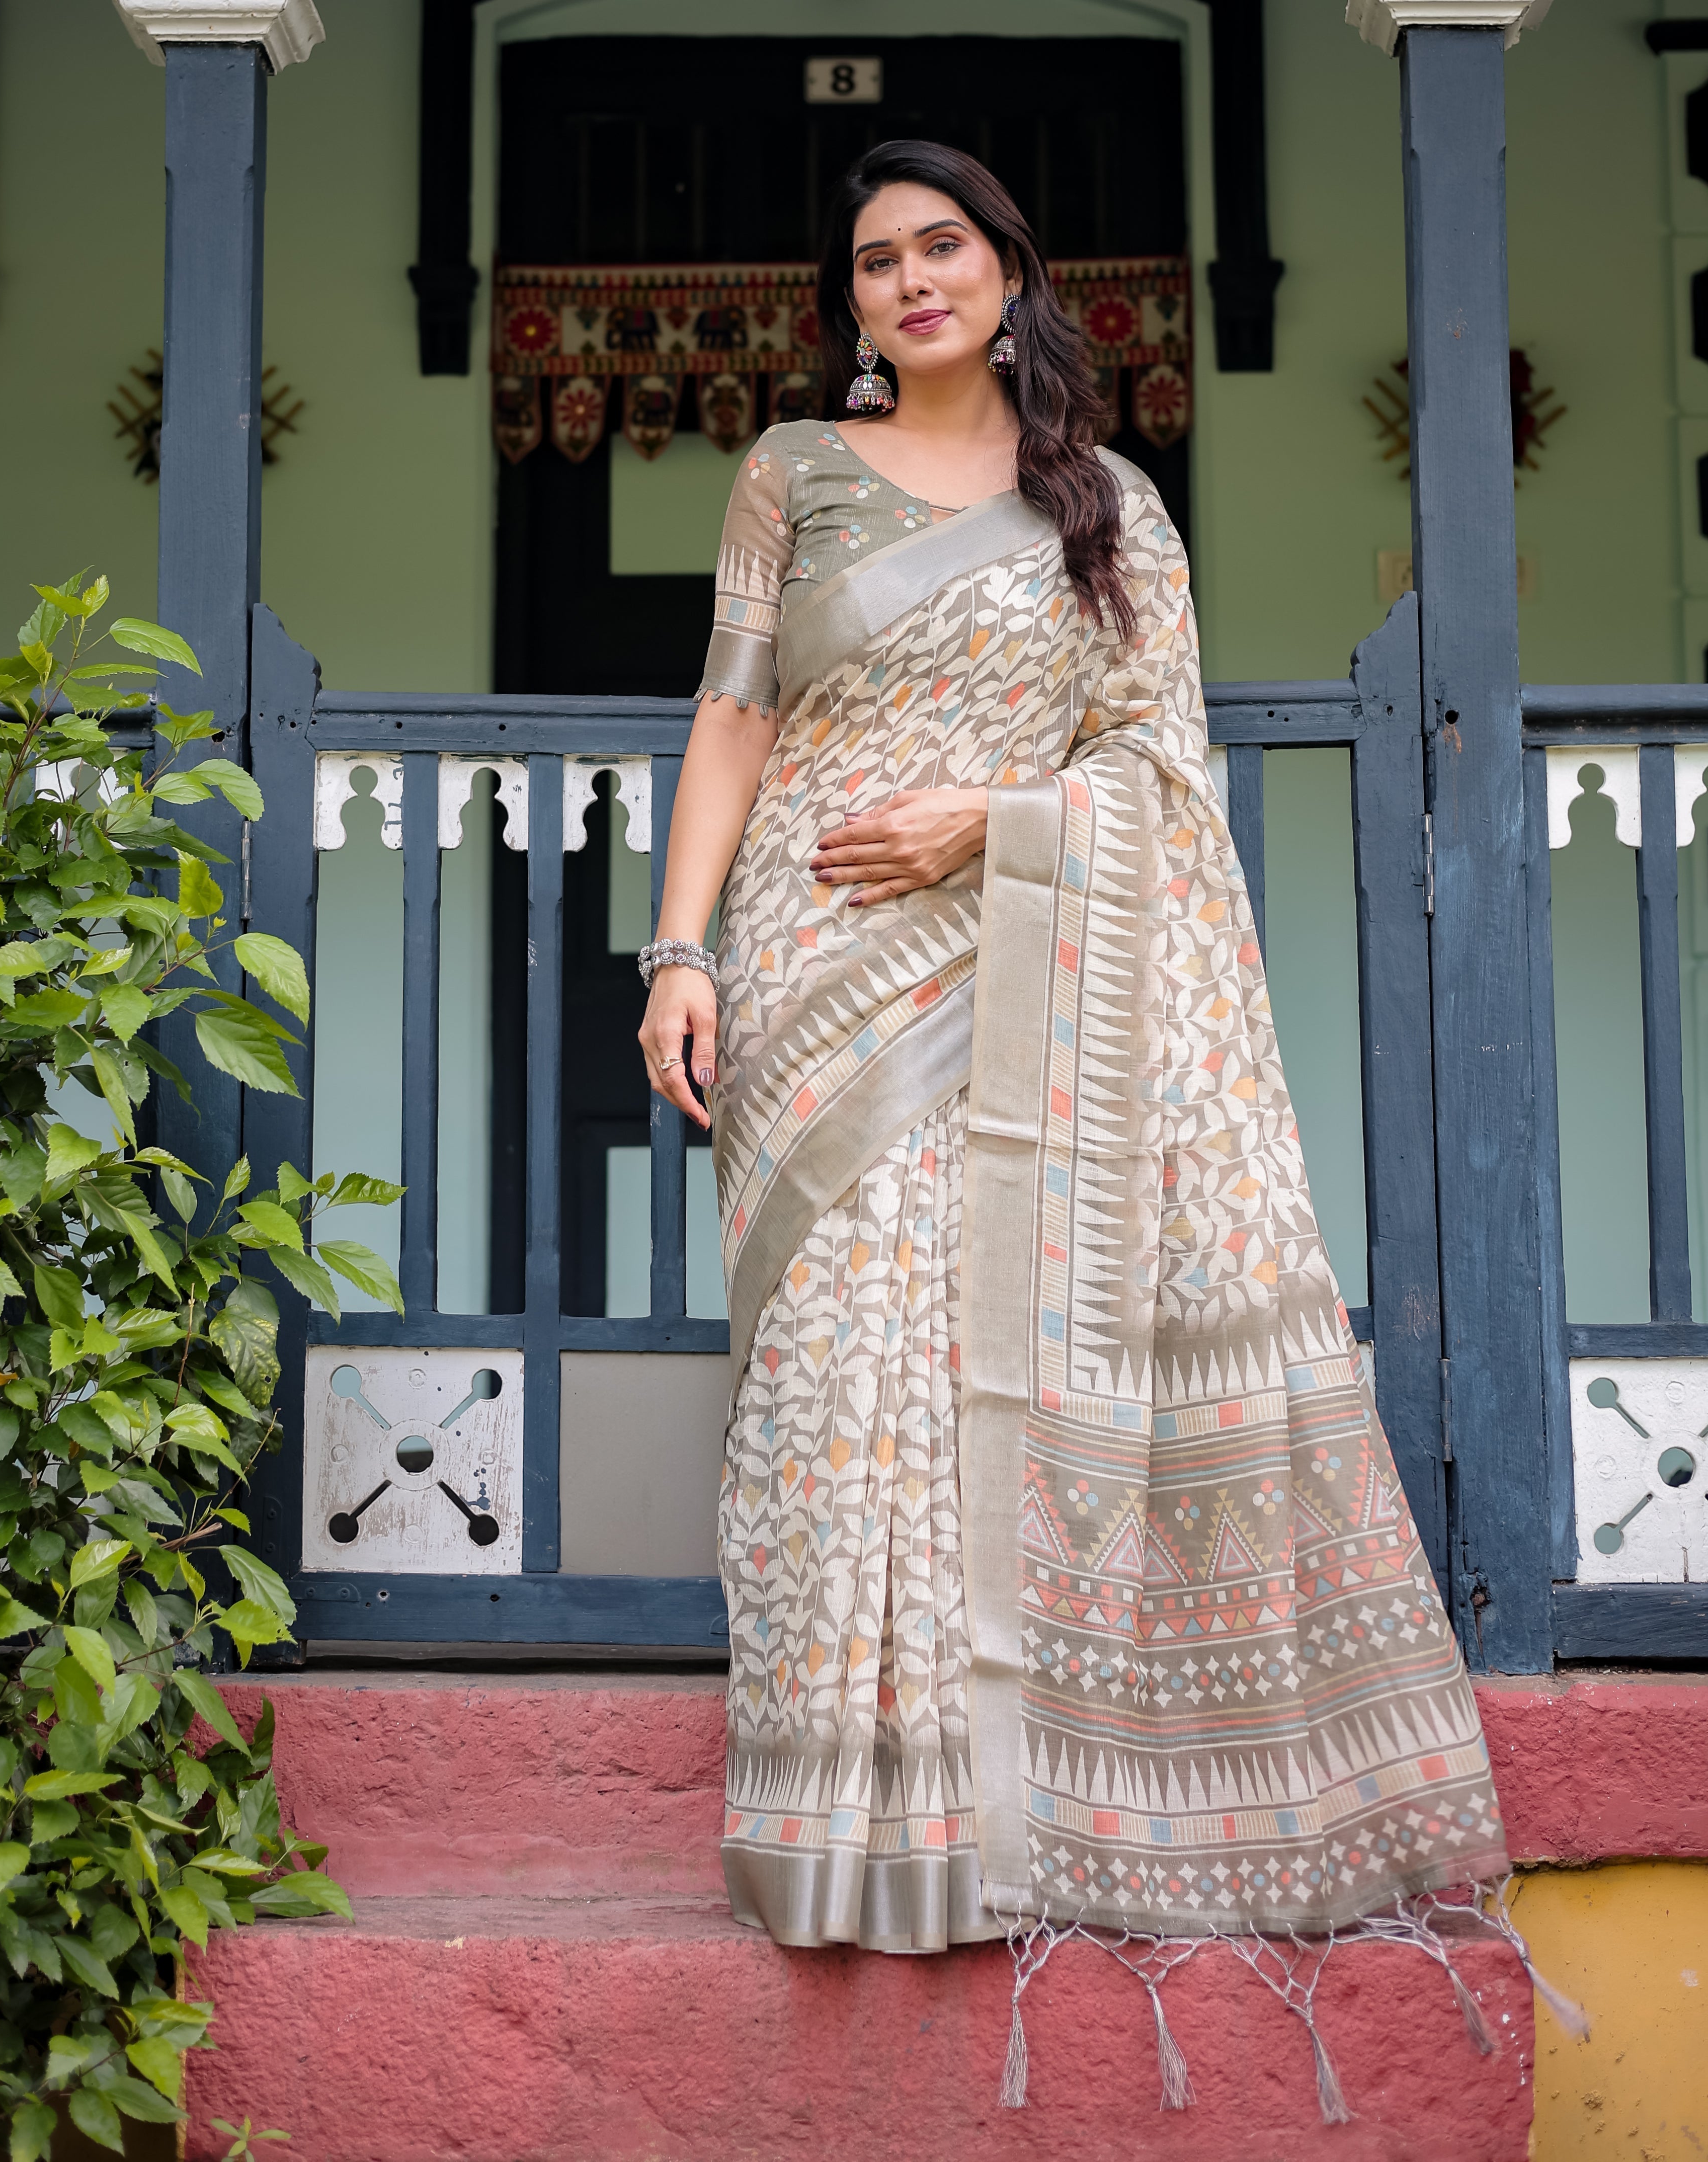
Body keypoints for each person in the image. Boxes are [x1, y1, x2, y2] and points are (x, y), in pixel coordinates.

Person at [636, 141, 1508, 1975]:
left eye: (939, 247)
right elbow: (732, 713)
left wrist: (992, 818)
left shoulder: (1107, 506)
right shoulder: (790, 472)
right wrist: (682, 946)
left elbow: (1162, 772)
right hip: (809, 978)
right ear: (851, 306)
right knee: (827, 1382)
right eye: (872, 264)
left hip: (1003, 972)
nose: (907, 284)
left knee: (970, 1378)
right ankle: (832, 1820)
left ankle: (976, 1817)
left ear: (1011, 270)